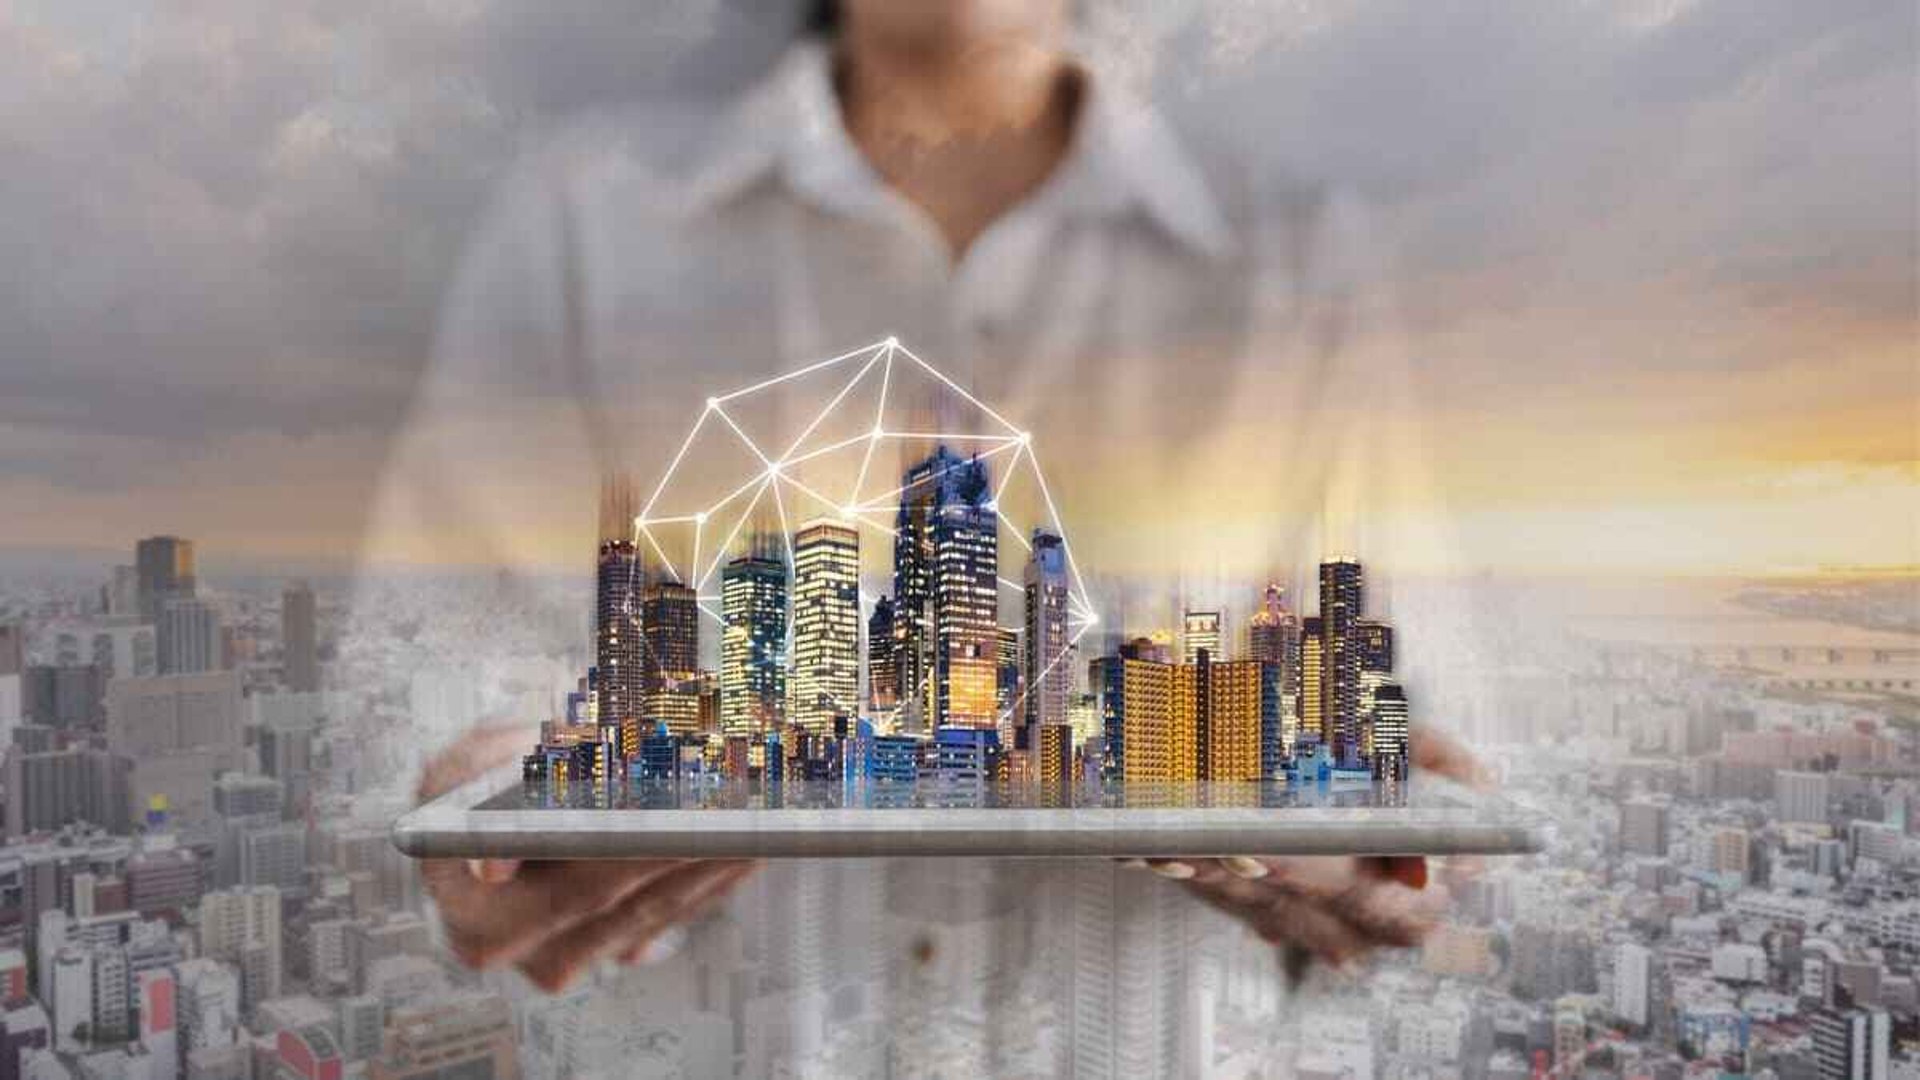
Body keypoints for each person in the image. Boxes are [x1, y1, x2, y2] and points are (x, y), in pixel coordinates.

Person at [366, 0, 1487, 1070]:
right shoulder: (587, 217)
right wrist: (474, 827)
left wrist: (1388, 850)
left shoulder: (1299, 251)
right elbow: (430, 716)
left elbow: (1444, 782)